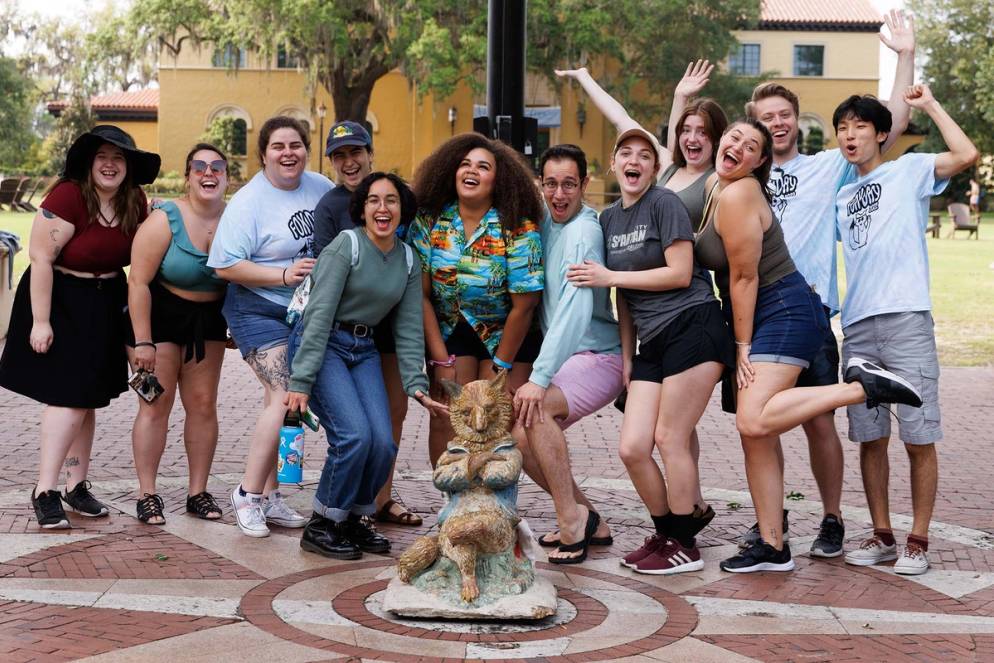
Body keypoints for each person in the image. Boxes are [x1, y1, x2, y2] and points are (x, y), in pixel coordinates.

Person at [692, 118, 922, 574]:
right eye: (734, 136)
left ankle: (863, 389)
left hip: (782, 308)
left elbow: (744, 276)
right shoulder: (717, 187)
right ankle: (773, 544)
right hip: (768, 310)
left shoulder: (739, 193)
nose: (737, 145)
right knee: (754, 432)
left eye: (750, 145)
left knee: (753, 417)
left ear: (761, 161)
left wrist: (741, 346)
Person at [733, 9, 916, 557]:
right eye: (767, 117)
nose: (778, 123)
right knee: (756, 427)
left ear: (796, 119)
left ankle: (832, 518)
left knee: (817, 425)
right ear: (756, 126)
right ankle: (773, 520)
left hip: (807, 315)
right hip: (755, 316)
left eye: (785, 114)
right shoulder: (743, 177)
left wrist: (904, 55)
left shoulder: (826, 166)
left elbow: (893, 120)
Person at [567, 127, 734, 575]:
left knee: (669, 437)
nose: (634, 160)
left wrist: (610, 277)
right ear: (615, 164)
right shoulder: (608, 220)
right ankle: (668, 532)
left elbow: (680, 273)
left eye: (644, 154)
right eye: (626, 153)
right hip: (650, 340)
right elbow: (622, 297)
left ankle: (684, 545)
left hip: (694, 325)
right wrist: (626, 358)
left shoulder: (665, 204)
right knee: (633, 447)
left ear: (654, 167)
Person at [834, 86, 978, 575]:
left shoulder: (909, 171)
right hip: (857, 326)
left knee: (919, 436)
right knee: (870, 438)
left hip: (906, 319)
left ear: (880, 134)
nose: (850, 135)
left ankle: (919, 540)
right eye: (842, 127)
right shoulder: (842, 195)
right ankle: (883, 536)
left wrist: (931, 105)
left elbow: (966, 154)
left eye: (859, 127)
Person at [0, 126, 159, 528]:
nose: (110, 164)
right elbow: (40, 259)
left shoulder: (134, 201)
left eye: (119, 158)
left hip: (106, 299)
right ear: (89, 162)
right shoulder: (68, 196)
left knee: (87, 400)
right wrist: (40, 321)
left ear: (128, 166)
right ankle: (45, 490)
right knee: (66, 397)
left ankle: (76, 485)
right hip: (59, 297)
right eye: (102, 156)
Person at [286, 172, 448, 559]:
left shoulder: (408, 258)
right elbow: (320, 313)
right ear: (361, 209)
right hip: (323, 343)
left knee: (383, 441)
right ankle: (323, 523)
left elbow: (409, 326)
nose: (382, 208)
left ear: (402, 209)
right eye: (374, 200)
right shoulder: (347, 246)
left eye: (391, 200)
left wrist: (415, 382)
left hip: (364, 348)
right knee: (353, 437)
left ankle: (355, 518)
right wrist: (302, 380)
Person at [207, 115, 333, 537]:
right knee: (284, 397)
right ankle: (247, 494)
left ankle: (272, 495)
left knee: (275, 404)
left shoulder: (320, 187)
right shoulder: (249, 202)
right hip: (255, 308)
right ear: (263, 154)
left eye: (295, 145)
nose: (288, 153)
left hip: (303, 310)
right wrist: (281, 276)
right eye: (278, 146)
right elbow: (224, 265)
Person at [510, 144, 623, 564]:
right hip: (571, 358)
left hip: (598, 356)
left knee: (534, 413)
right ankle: (589, 517)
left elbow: (574, 314)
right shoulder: (545, 223)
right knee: (520, 438)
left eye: (569, 185)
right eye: (552, 184)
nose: (560, 194)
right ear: (541, 184)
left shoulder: (583, 234)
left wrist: (538, 379)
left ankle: (570, 522)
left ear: (585, 185)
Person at [409, 133, 544, 467]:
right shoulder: (429, 222)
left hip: (508, 333)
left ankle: (493, 512)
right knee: (447, 415)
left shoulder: (518, 227)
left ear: (498, 180)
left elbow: (525, 305)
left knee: (493, 418)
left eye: (483, 166)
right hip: (451, 330)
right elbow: (421, 296)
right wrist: (441, 361)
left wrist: (500, 367)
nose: (472, 171)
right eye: (465, 164)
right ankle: (454, 505)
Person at [311, 120, 419, 526]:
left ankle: (368, 508)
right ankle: (330, 519)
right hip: (337, 330)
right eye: (340, 156)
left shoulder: (397, 203)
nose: (349, 161)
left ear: (370, 153)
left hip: (381, 334)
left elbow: (407, 261)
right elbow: (322, 287)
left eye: (355, 152)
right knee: (354, 433)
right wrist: (302, 380)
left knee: (384, 431)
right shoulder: (332, 210)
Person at [125, 143, 230, 524]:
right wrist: (143, 341)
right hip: (158, 318)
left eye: (217, 167)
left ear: (226, 177)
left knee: (203, 405)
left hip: (209, 321)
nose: (208, 173)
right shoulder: (164, 219)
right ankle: (147, 493)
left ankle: (197, 492)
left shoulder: (235, 219)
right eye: (199, 167)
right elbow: (137, 281)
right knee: (155, 404)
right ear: (187, 176)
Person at [556, 60, 726, 229]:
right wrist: (584, 77)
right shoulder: (670, 168)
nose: (692, 138)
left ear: (716, 137)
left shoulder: (717, 180)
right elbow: (620, 118)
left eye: (702, 132)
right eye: (686, 130)